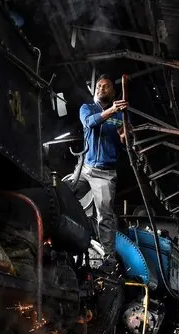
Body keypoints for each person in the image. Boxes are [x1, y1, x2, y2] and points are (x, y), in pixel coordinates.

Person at [73, 75, 129, 266]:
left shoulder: (121, 117)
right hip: (85, 168)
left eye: (106, 86)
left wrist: (125, 136)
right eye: (98, 86)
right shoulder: (87, 108)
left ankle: (109, 258)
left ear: (113, 92)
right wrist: (113, 110)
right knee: (62, 192)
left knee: (105, 215)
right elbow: (89, 123)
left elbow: (125, 141)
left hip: (105, 174)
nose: (101, 89)